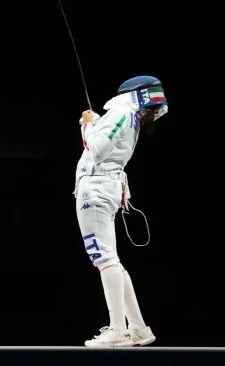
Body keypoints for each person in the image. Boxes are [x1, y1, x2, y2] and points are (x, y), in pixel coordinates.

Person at [73, 76, 168, 348]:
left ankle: (117, 329)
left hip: (96, 189)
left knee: (104, 260)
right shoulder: (130, 117)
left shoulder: (121, 112)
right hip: (106, 188)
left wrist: (89, 124)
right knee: (111, 259)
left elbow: (97, 150)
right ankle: (138, 328)